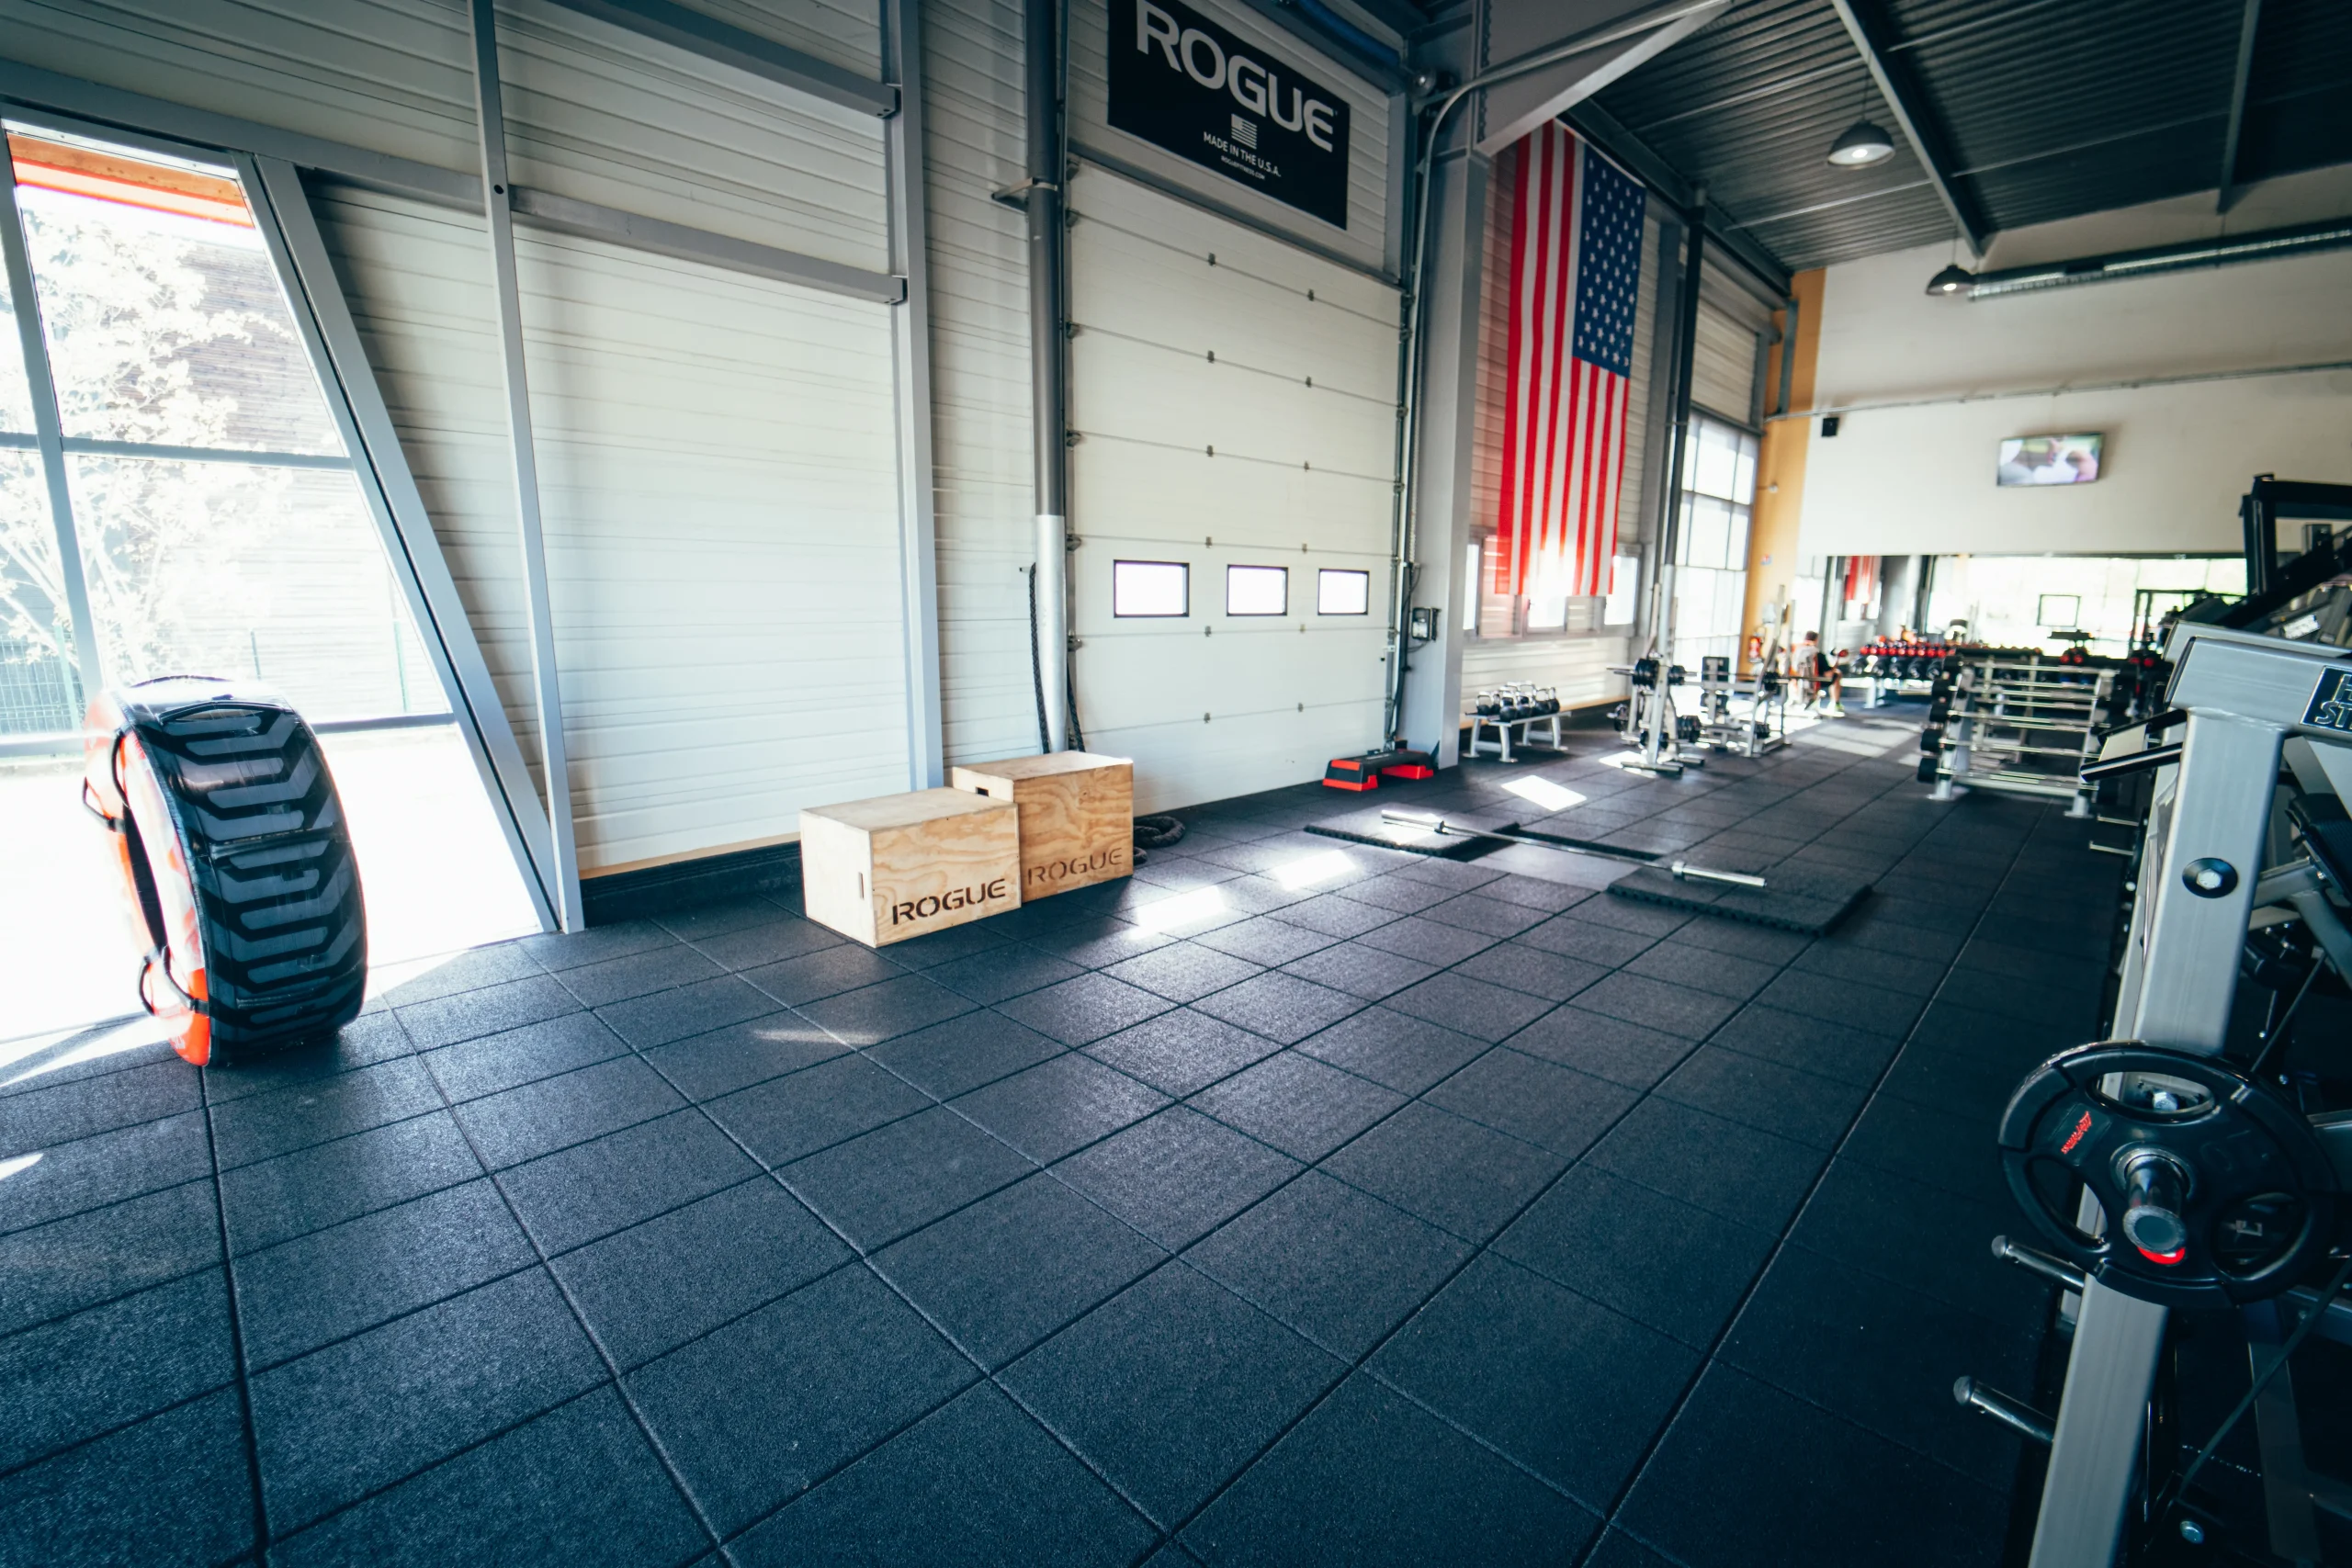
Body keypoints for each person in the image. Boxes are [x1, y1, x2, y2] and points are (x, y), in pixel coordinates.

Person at [1798, 631, 1846, 716]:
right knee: (1837, 674)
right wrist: (1836, 661)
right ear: (1816, 640)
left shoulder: (1798, 652)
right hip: (1816, 681)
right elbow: (1828, 674)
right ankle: (1835, 702)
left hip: (1800, 680)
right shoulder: (1817, 654)